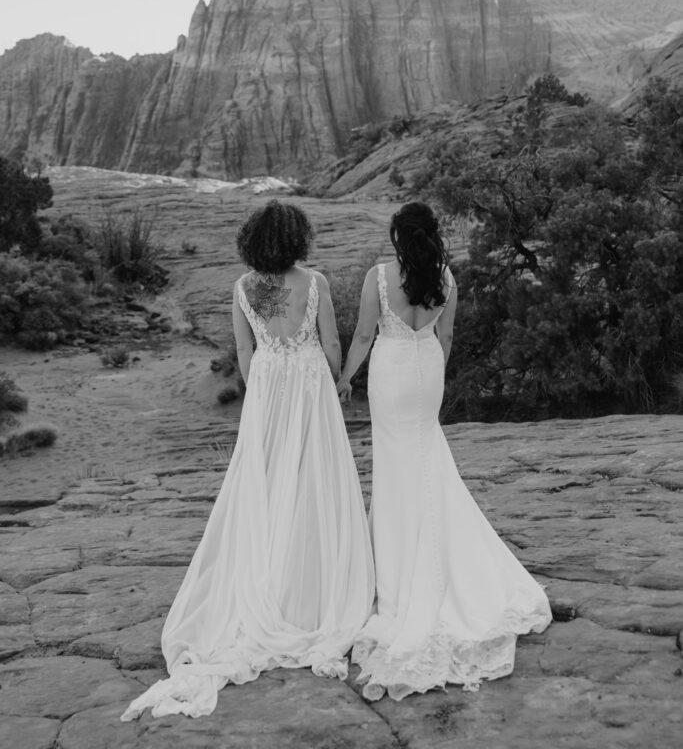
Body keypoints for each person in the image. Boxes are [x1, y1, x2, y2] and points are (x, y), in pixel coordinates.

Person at [122, 200, 374, 721]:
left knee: (263, 482)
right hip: (307, 385)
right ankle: (309, 587)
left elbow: (243, 352)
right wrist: (337, 379)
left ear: (253, 240)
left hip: (266, 389)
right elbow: (329, 343)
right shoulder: (316, 282)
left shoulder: (242, 288)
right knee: (311, 479)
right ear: (298, 238)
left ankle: (265, 581)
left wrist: (262, 383)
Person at [336, 201, 552, 701]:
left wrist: (346, 378)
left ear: (397, 235)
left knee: (393, 464)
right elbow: (447, 334)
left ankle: (398, 570)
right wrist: (433, 368)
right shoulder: (447, 279)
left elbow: (366, 334)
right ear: (431, 235)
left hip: (389, 372)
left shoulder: (380, 277)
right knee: (428, 454)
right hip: (427, 365)